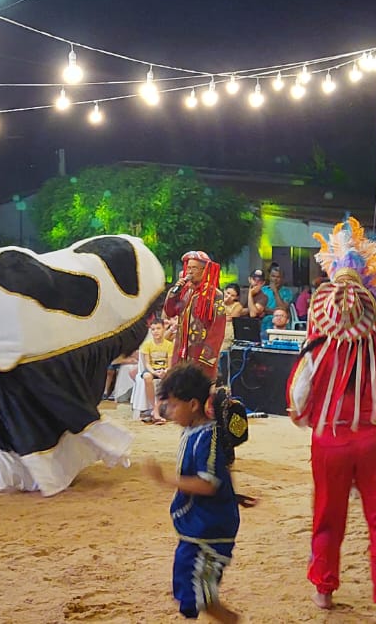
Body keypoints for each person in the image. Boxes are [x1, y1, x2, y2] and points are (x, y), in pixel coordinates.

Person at [288, 219, 376, 620]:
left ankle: (324, 589)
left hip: (331, 438)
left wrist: (302, 414)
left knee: (328, 514)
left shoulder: (318, 341)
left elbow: (299, 391)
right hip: (375, 439)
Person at [142, 362, 251, 624]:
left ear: (192, 405)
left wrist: (165, 479)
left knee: (203, 597)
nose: (169, 412)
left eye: (173, 405)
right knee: (187, 586)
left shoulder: (206, 437)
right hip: (196, 528)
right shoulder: (194, 432)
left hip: (209, 530)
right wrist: (232, 495)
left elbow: (208, 483)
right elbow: (219, 473)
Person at [163, 250, 226, 378]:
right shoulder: (184, 291)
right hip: (181, 351)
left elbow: (218, 328)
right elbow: (170, 312)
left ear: (204, 270)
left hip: (200, 354)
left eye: (194, 268)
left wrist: (207, 356)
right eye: (188, 268)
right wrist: (174, 293)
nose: (190, 272)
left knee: (197, 386)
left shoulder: (214, 295)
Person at [139, 318, 176, 424]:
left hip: (164, 370)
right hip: (152, 370)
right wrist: (154, 372)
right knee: (147, 377)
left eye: (158, 328)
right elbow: (147, 364)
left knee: (167, 378)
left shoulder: (169, 345)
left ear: (164, 329)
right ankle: (154, 407)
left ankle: (156, 410)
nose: (156, 331)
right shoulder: (147, 344)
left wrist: (165, 371)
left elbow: (170, 364)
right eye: (153, 329)